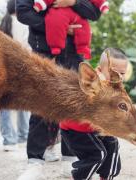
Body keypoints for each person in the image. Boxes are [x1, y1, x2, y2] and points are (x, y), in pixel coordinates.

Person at [16, 0, 101, 178]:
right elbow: (23, 12)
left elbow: (95, 12)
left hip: (75, 53)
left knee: (74, 106)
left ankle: (71, 160)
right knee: (41, 105)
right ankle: (35, 163)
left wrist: (73, 2)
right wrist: (54, 25)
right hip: (44, 52)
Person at [60, 47, 127, 180]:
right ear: (100, 70)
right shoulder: (94, 84)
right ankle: (78, 177)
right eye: (114, 72)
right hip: (76, 129)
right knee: (98, 155)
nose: (119, 76)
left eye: (122, 73)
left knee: (112, 144)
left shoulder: (116, 86)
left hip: (95, 129)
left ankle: (106, 176)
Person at [0, 0, 31, 152]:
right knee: (23, 105)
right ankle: (23, 136)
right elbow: (27, 49)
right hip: (19, 71)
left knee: (3, 106)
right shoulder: (24, 24)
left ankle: (8, 141)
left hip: (0, 71)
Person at [32, 0, 109, 59]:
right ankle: (55, 47)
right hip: (59, 13)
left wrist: (103, 5)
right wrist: (39, 4)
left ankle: (83, 48)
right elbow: (23, 13)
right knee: (54, 22)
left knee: (84, 29)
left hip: (77, 18)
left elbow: (95, 13)